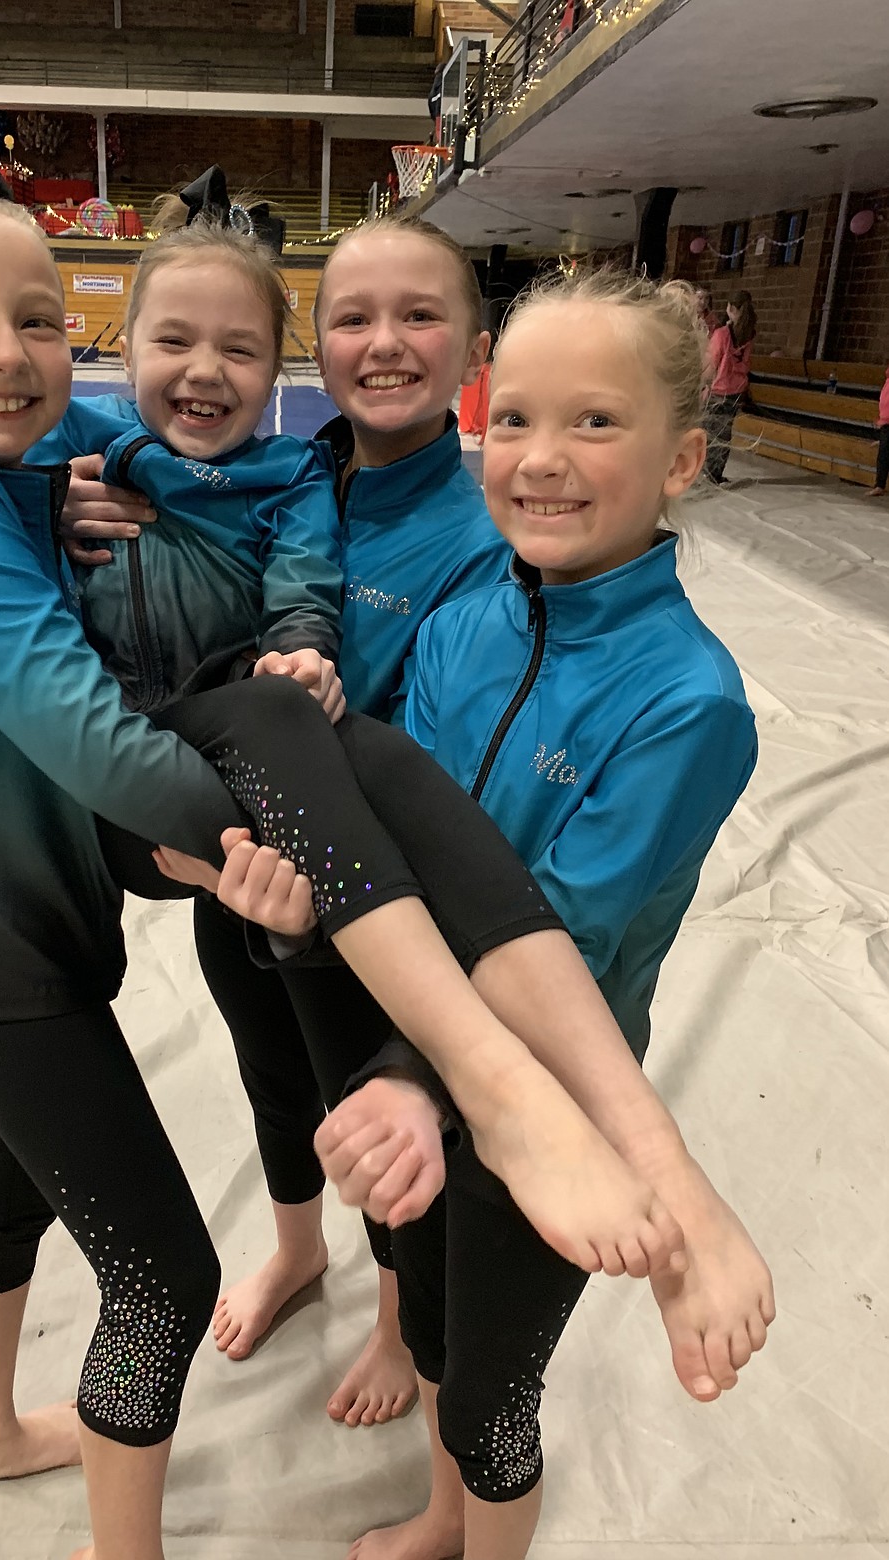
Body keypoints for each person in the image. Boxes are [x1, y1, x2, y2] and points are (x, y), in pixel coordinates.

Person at [0, 193, 687, 1560]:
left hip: (105, 923)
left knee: (21, 1187)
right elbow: (68, 709)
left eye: (32, 322)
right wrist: (271, 825)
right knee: (163, 1275)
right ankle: (103, 1504)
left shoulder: (353, 502)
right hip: (57, 931)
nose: (6, 352)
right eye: (353, 313)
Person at [311, 269, 776, 1560]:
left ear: (681, 457)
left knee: (494, 1383)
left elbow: (552, 938)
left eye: (593, 423)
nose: (540, 460)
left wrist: (421, 1069)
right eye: (510, 420)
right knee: (430, 1311)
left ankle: (483, 1527)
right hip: (412, 1033)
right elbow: (395, 830)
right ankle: (443, 1517)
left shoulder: (688, 703)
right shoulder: (467, 619)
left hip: (554, 1093)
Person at [53, 212, 514, 1426]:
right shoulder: (271, 471)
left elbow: (441, 756)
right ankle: (299, 1250)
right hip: (239, 854)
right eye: (354, 317)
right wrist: (57, 514)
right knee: (272, 1077)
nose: (384, 343)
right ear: (312, 345)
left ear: (473, 345)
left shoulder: (476, 538)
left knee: (365, 1097)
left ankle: (390, 1316)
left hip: (363, 884)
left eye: (420, 315)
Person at [703, 288, 756, 485]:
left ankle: (705, 473)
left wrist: (703, 385)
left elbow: (711, 363)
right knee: (724, 433)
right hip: (735, 390)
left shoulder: (722, 334)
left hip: (717, 390)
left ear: (730, 308)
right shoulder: (748, 335)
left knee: (709, 432)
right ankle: (716, 473)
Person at [864, 361, 889, 498]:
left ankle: (880, 485)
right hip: (886, 422)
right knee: (883, 455)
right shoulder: (888, 380)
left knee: (884, 453)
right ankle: (879, 485)